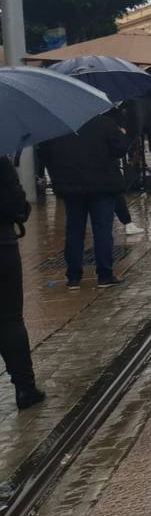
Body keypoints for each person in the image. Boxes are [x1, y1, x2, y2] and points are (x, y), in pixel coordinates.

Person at [42, 112, 129, 291]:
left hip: (72, 187)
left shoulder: (59, 127)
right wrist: (121, 133)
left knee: (74, 230)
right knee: (102, 229)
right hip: (102, 186)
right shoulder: (105, 123)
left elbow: (47, 155)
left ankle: (73, 277)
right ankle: (105, 275)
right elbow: (120, 149)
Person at [0, 156, 44, 409]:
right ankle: (24, 388)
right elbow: (18, 206)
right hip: (2, 247)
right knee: (9, 319)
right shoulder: (0, 160)